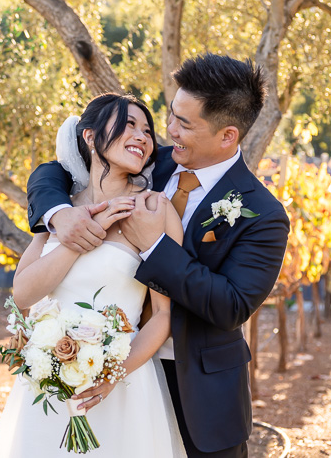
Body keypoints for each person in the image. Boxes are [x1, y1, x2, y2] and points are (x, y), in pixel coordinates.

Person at [26, 54, 291, 458]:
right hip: (113, 372)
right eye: (171, 116)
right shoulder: (152, 162)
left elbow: (230, 306)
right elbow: (55, 171)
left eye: (185, 124)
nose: (169, 131)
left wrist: (154, 246)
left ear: (227, 136)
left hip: (200, 393)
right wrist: (58, 214)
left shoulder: (265, 214)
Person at [0, 93, 187, 458]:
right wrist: (80, 235)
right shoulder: (60, 211)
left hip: (122, 386)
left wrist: (112, 375)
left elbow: (162, 316)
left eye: (147, 130)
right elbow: (23, 295)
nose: (142, 136)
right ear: (91, 136)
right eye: (129, 124)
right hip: (49, 386)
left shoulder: (155, 210)